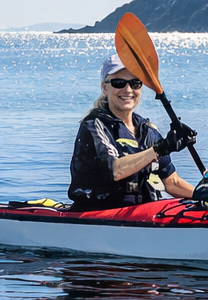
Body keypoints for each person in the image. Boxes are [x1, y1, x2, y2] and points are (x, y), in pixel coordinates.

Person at [68, 55, 198, 210]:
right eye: (119, 83)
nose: (128, 90)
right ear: (105, 88)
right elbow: (115, 170)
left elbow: (172, 182)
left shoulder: (148, 131)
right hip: (101, 213)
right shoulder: (94, 125)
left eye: (135, 83)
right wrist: (160, 149)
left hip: (144, 214)